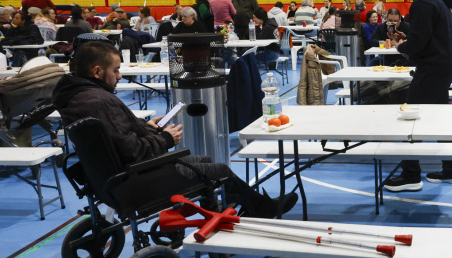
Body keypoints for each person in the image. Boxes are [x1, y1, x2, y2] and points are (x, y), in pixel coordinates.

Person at [51, 41, 297, 218]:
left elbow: (114, 136)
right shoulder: (101, 101)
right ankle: (260, 209)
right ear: (97, 71)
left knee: (204, 161)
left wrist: (144, 126)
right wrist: (166, 139)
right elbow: (133, 151)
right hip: (135, 180)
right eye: (115, 70)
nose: (120, 76)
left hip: (112, 179)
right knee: (218, 169)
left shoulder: (78, 97)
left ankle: (248, 208)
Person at [384, 0, 452, 192]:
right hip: (443, 68)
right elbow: (428, 36)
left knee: (410, 119)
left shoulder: (422, 2)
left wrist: (402, 47)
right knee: (440, 120)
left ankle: (410, 175)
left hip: (431, 70)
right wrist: (410, 40)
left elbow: (419, 43)